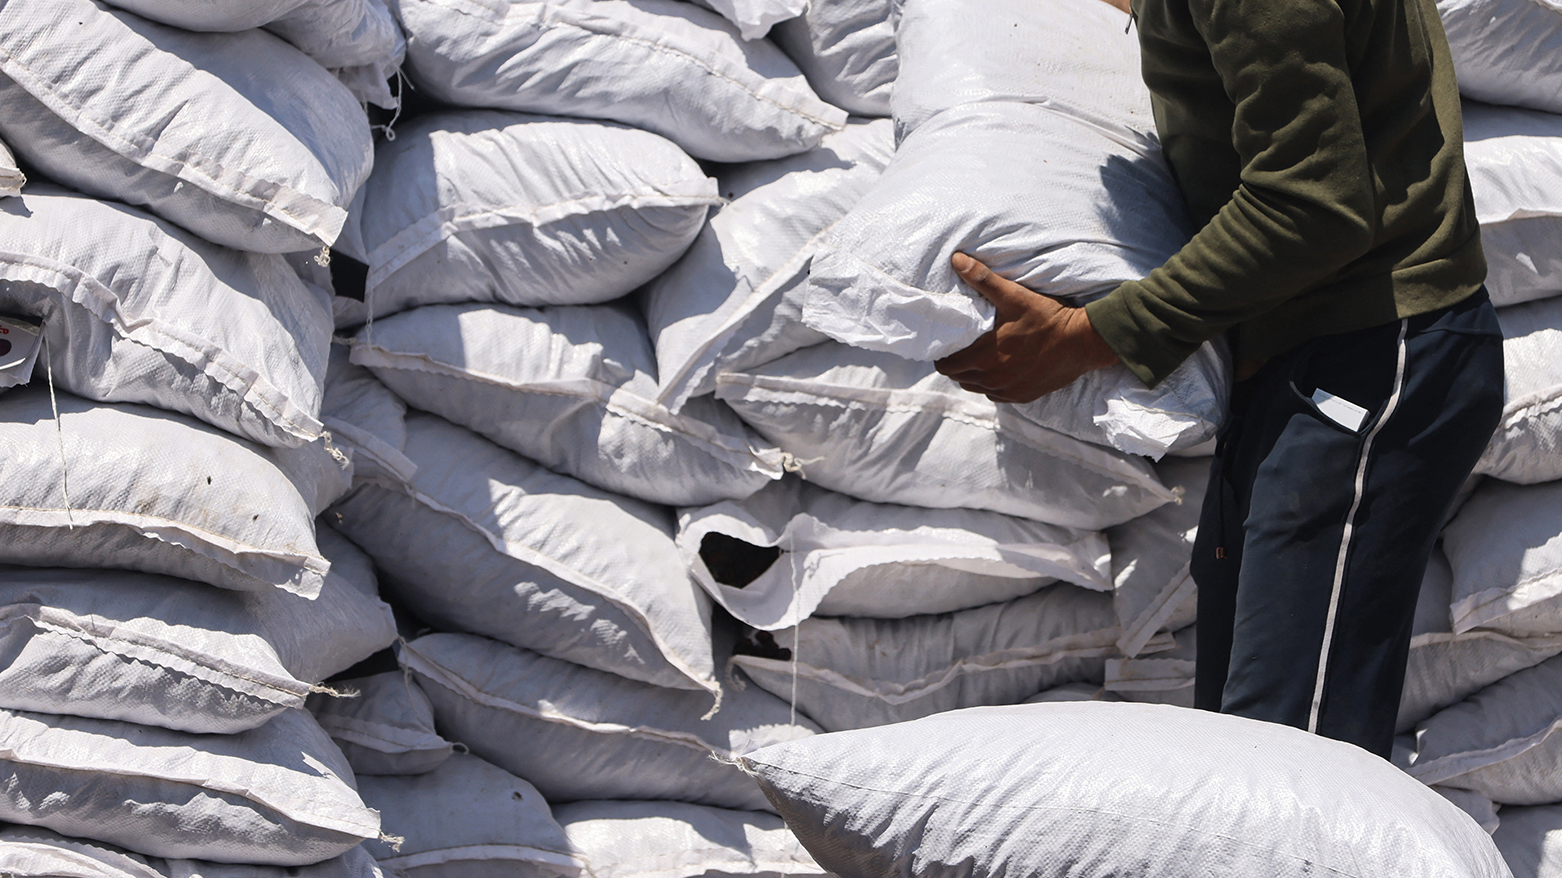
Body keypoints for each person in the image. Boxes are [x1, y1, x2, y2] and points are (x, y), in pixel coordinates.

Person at [933, 0, 1505, 759]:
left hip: (1369, 362)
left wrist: (1089, 337)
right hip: (1299, 361)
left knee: (1290, 758)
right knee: (1243, 739)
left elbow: (1312, 207)